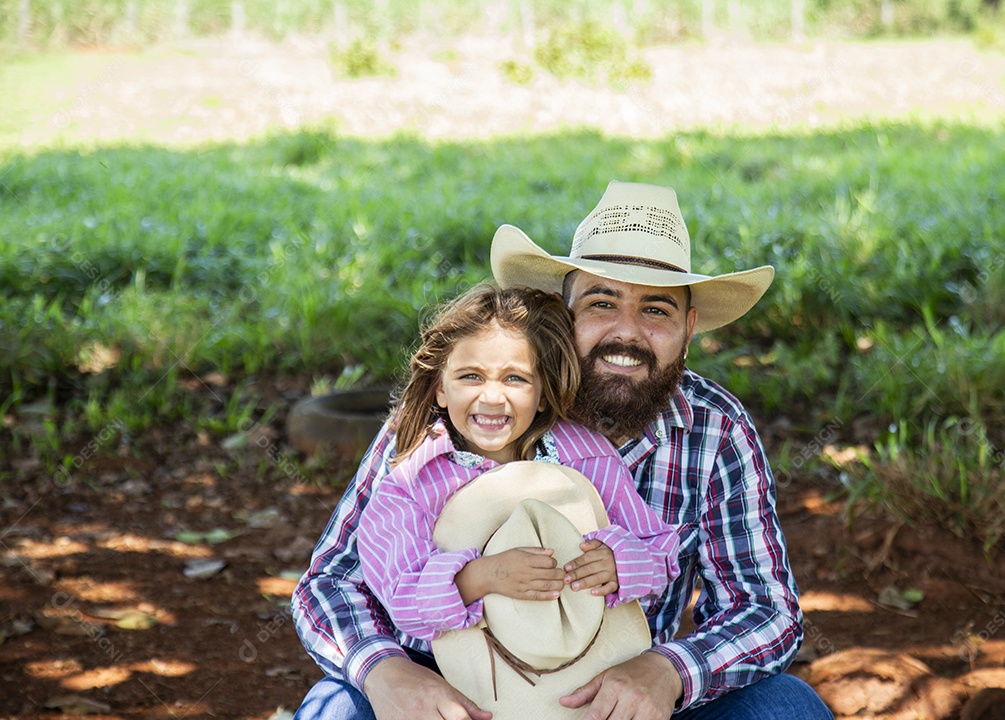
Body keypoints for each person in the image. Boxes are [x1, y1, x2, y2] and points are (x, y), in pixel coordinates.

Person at [291, 181, 833, 720]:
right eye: (602, 302)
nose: (628, 333)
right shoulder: (460, 412)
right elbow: (329, 584)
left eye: (657, 310)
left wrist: (670, 671)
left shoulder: (714, 429)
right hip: (453, 695)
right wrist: (386, 672)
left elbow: (765, 609)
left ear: (688, 328)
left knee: (787, 708)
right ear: (561, 311)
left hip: (619, 700)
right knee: (337, 707)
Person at [352, 284, 679, 657]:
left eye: (515, 378)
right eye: (470, 377)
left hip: (577, 666)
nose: (492, 397)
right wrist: (483, 577)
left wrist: (620, 564)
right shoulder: (414, 482)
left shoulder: (587, 458)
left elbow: (660, 552)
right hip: (454, 670)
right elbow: (400, 596)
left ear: (542, 394)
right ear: (440, 390)